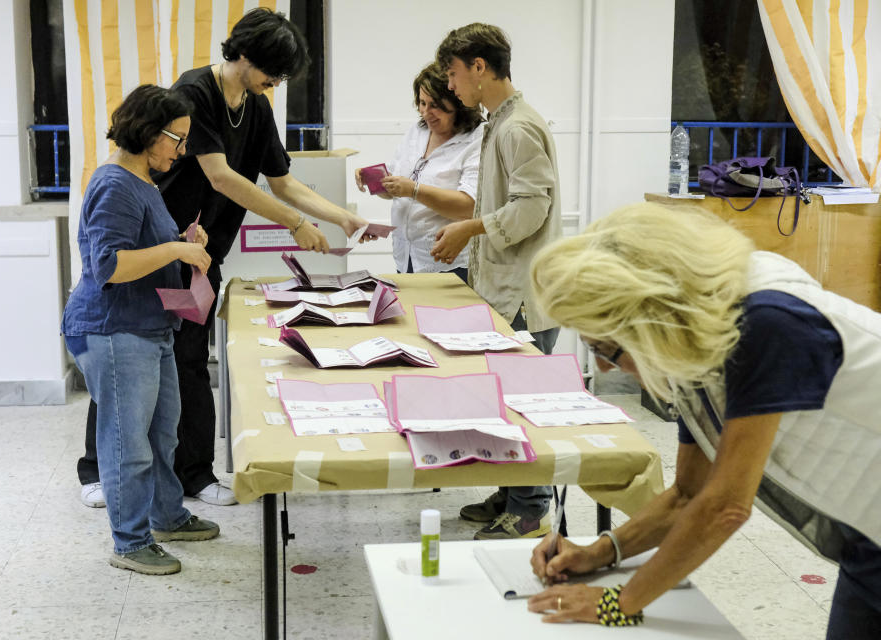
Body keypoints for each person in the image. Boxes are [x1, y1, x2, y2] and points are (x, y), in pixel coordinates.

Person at [525, 202, 881, 637]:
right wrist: (601, 552)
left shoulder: (767, 324)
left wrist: (620, 603)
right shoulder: (697, 339)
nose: (603, 368)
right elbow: (688, 494)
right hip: (869, 541)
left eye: (606, 349)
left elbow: (725, 506)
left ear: (649, 321)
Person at [78, 8, 372, 509]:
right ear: (242, 54)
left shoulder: (255, 106)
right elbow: (221, 176)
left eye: (281, 77)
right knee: (127, 360)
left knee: (189, 360)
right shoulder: (194, 93)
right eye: (271, 73)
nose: (274, 84)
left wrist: (339, 217)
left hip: (198, 253)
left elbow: (281, 180)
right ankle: (97, 470)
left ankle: (193, 474)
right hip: (152, 250)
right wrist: (294, 223)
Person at [63, 84, 220, 576]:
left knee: (162, 434)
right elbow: (109, 265)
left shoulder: (144, 182)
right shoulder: (114, 183)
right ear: (149, 133)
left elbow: (141, 245)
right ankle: (129, 543)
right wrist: (176, 251)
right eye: (177, 138)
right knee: (126, 443)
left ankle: (166, 516)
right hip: (114, 330)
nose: (182, 149)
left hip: (150, 326)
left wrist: (180, 239)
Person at [431, 23, 562, 540]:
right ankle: (512, 492)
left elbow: (532, 207)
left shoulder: (516, 127)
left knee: (521, 404)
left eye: (454, 71)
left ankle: (530, 507)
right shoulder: (499, 122)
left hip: (524, 295)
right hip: (503, 288)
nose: (451, 82)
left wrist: (471, 225)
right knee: (499, 400)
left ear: (479, 68)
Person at [354, 62, 482, 282]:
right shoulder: (417, 131)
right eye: (422, 103)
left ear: (457, 104)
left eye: (435, 105)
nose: (426, 112)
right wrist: (375, 179)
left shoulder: (476, 139)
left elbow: (468, 206)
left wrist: (413, 190)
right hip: (407, 257)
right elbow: (396, 186)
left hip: (449, 264)